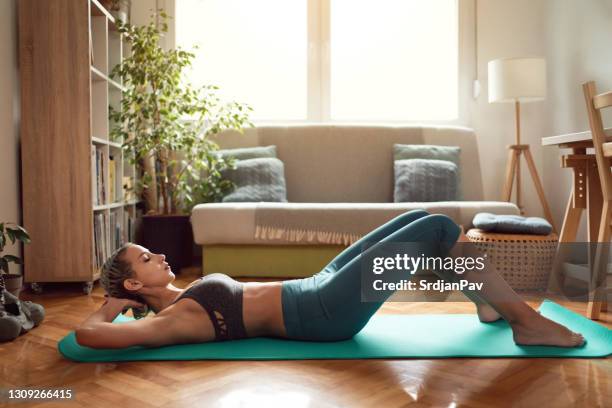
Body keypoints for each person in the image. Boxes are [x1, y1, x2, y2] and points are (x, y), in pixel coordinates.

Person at [75, 210, 584, 349]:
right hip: (322, 313)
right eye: (145, 257)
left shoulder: (181, 298)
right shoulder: (174, 320)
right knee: (438, 230)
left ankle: (485, 301)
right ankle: (524, 320)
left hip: (316, 286)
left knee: (418, 217)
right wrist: (108, 307)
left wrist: (117, 302)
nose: (159, 253)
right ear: (134, 286)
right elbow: (88, 336)